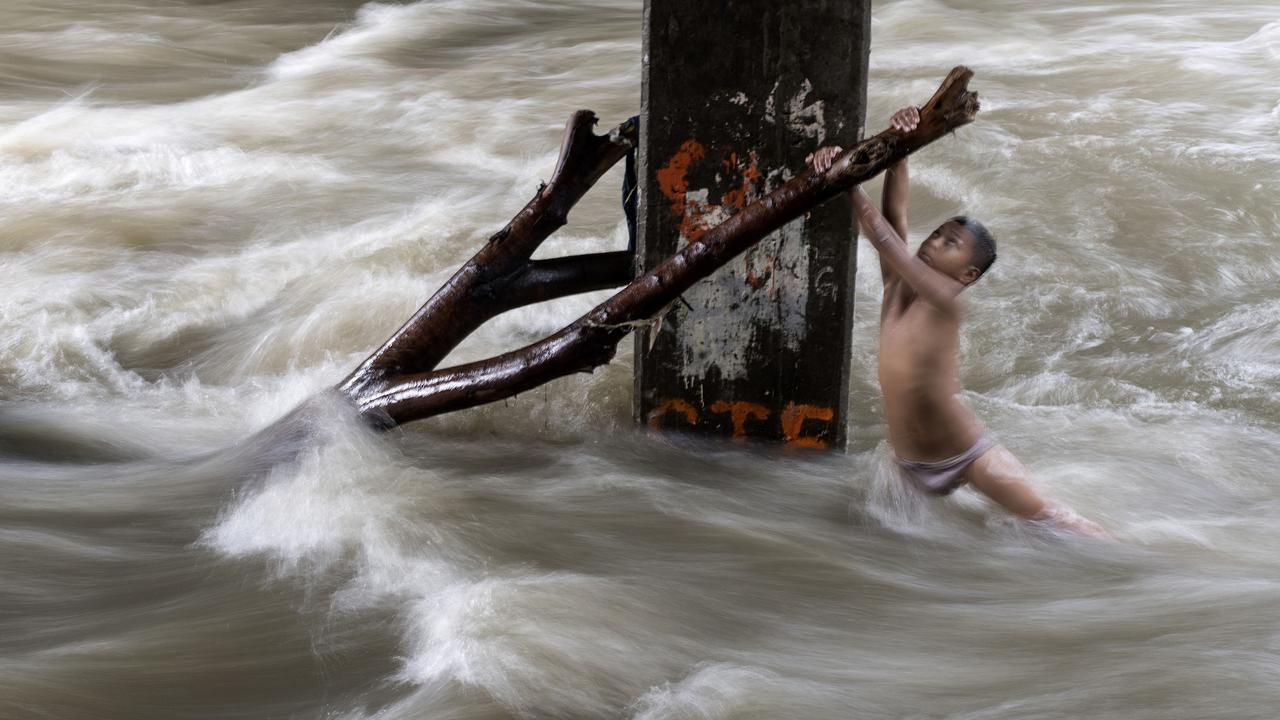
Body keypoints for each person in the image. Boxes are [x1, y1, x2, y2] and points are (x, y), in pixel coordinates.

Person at [808, 106, 1108, 538]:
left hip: (968, 455)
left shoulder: (948, 301)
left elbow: (888, 241)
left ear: (967, 274)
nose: (934, 241)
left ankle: (1144, 563)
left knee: (1055, 522)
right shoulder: (897, 288)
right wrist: (901, 147)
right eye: (937, 233)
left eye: (951, 243)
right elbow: (895, 217)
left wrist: (846, 181)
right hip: (906, 463)